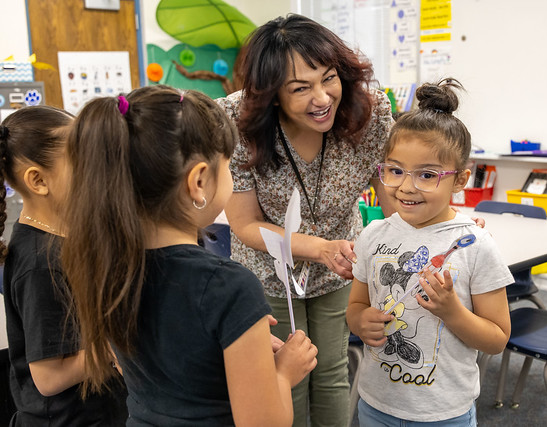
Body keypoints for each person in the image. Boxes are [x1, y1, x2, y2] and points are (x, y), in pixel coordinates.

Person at [60, 85, 318, 426]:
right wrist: (284, 373)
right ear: (198, 181)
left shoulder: (106, 263)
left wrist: (239, 342)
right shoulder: (228, 285)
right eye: (226, 166)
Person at [215, 13, 394, 426]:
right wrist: (320, 249)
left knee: (331, 371)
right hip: (268, 269)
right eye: (300, 88)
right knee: (284, 376)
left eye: (328, 78)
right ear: (272, 94)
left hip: (340, 265)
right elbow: (244, 224)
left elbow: (395, 200)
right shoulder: (239, 123)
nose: (322, 98)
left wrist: (445, 228)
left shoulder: (370, 111)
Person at [346, 79, 512, 426]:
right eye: (395, 171)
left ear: (460, 179)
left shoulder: (475, 245)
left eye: (427, 175)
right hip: (376, 405)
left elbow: (497, 338)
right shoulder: (375, 234)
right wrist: (361, 322)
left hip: (443, 413)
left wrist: (452, 312)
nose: (407, 186)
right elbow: (356, 308)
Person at [0, 106, 128, 426]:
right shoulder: (39, 263)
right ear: (39, 180)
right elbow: (48, 376)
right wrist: (116, 347)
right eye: (82, 162)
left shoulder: (64, 238)